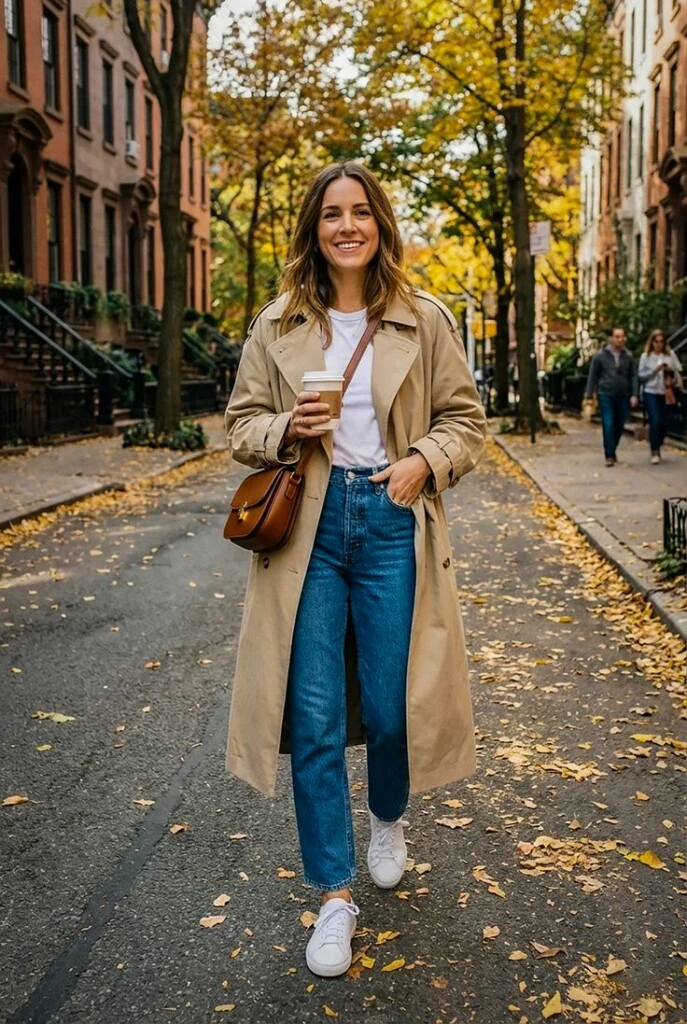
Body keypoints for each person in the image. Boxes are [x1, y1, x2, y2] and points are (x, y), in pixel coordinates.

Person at [224, 161, 487, 978]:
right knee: (312, 719)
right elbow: (238, 424)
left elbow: (466, 422)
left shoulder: (424, 319)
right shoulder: (276, 323)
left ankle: (389, 814)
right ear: (314, 227)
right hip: (305, 528)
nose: (346, 226)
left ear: (379, 226)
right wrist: (282, 428)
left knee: (391, 701)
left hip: (388, 521)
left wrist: (421, 462)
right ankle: (332, 895)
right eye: (331, 213)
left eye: (360, 213)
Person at [584, 326, 639, 466]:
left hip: (622, 394)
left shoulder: (628, 356)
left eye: (622, 337)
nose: (620, 340)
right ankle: (609, 455)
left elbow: (633, 376)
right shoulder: (600, 356)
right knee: (608, 423)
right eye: (617, 337)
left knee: (619, 425)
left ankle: (612, 449)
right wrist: (589, 394)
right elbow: (593, 375)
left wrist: (634, 394)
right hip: (605, 393)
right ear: (611, 338)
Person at [638, 329, 684, 464]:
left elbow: (678, 371)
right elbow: (641, 376)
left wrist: (670, 371)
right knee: (655, 420)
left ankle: (658, 441)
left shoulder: (670, 355)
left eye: (661, 342)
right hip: (650, 391)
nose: (658, 344)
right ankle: (654, 450)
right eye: (656, 342)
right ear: (651, 342)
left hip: (666, 392)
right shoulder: (645, 357)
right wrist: (655, 370)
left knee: (664, 423)